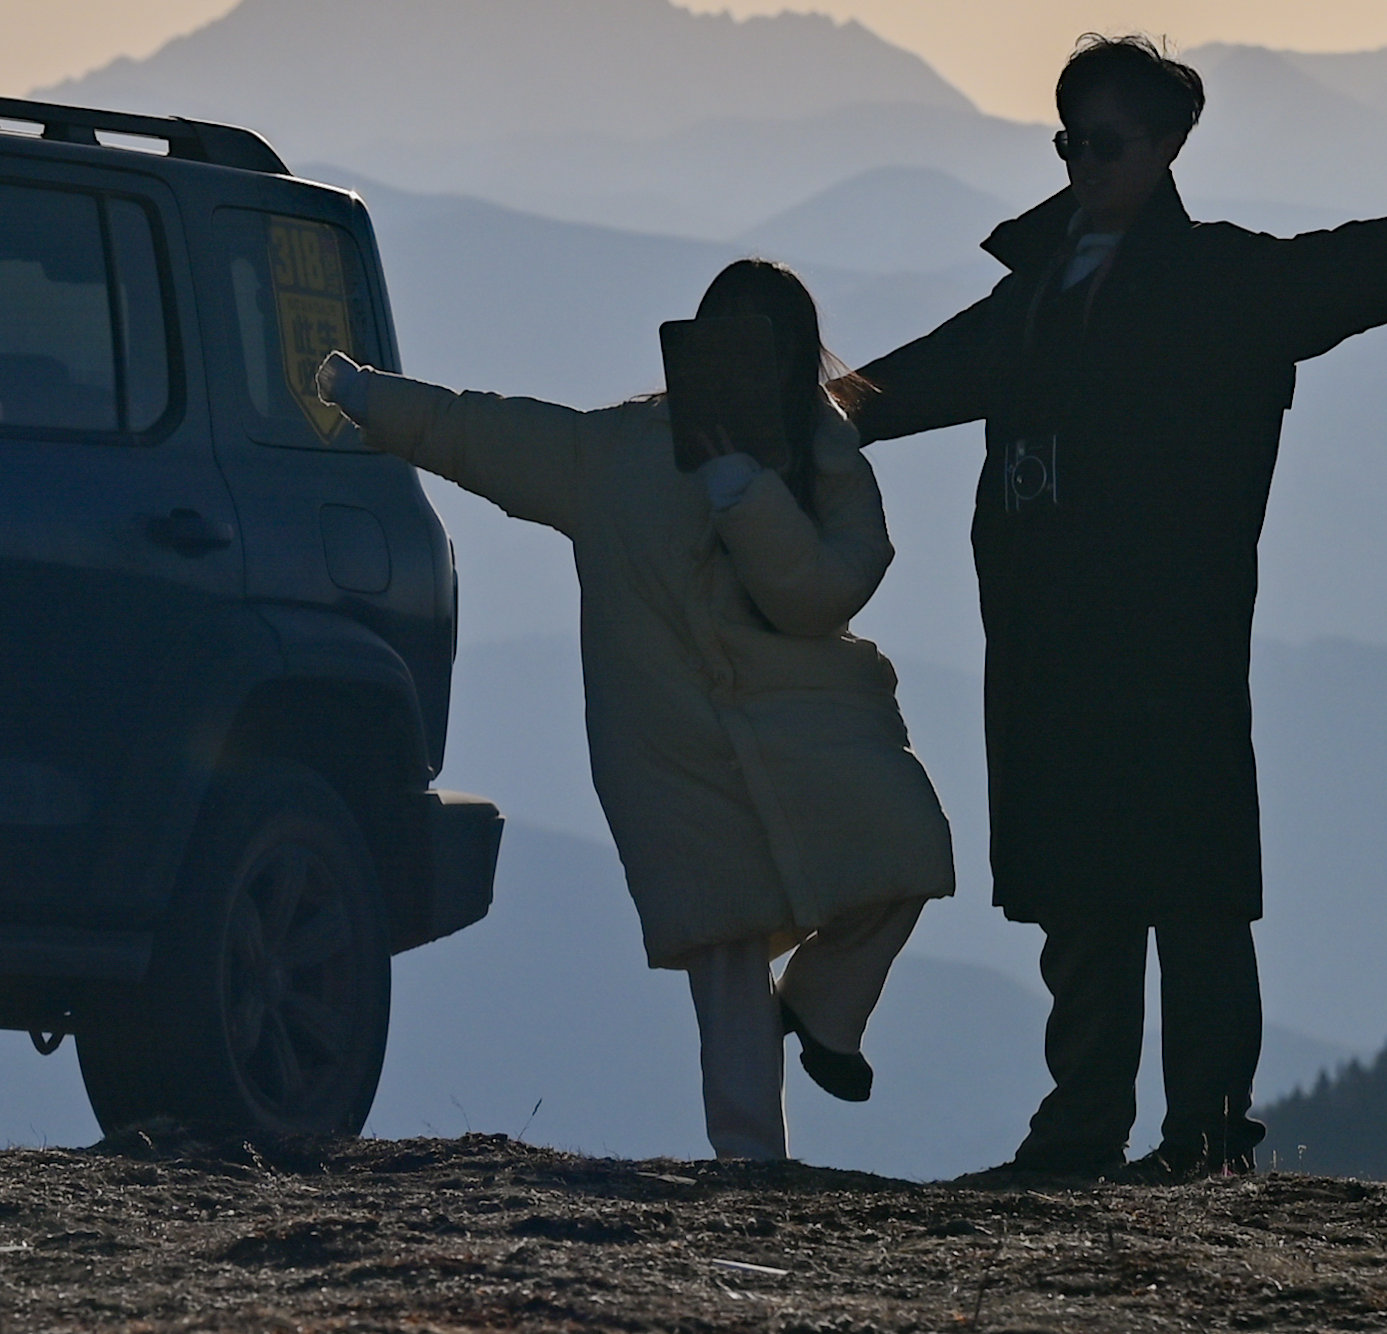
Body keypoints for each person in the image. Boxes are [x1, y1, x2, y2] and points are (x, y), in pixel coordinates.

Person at [854, 36, 1387, 1182]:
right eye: (1067, 140)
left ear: (1168, 145)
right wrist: (800, 412)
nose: (1081, 161)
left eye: (1104, 142)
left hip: (1169, 638)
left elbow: (1366, 264)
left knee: (1186, 894)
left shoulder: (1222, 285)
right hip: (1049, 638)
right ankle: (1080, 1130)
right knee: (1081, 897)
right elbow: (912, 381)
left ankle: (1202, 1136)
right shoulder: (1031, 291)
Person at [316, 259, 955, 1164]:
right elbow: (478, 430)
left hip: (812, 729)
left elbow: (820, 598)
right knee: (724, 949)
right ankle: (751, 1165)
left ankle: (822, 1008)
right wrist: (368, 396)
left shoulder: (828, 454)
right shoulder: (614, 451)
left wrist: (743, 487)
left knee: (909, 851)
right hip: (669, 754)